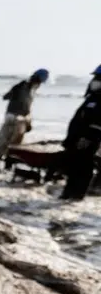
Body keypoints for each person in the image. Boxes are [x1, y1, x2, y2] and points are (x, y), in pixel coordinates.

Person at [0, 68, 49, 170]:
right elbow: (6, 97)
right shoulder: (22, 86)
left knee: (12, 145)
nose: (40, 84)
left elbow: (27, 107)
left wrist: (28, 122)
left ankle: (5, 167)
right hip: (13, 117)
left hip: (20, 118)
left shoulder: (31, 89)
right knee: (6, 142)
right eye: (40, 81)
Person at [60, 65, 101, 200]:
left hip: (89, 139)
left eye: (98, 77)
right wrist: (70, 138)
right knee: (73, 165)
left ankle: (77, 195)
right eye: (95, 77)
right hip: (77, 137)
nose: (94, 80)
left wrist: (89, 138)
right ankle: (68, 192)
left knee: (84, 166)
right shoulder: (92, 97)